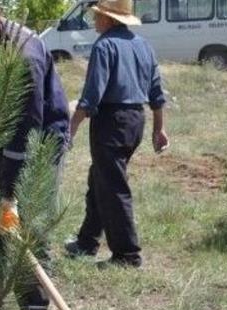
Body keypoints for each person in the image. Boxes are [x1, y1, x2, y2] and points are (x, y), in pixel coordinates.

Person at [0, 0, 71, 310]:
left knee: (29, 232)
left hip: (39, 143)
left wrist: (11, 194)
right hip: (3, 140)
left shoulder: (25, 56)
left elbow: (27, 131)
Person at [64, 0, 168, 268]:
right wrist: (159, 129)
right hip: (136, 121)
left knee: (113, 187)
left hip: (111, 122)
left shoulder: (105, 45)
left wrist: (70, 130)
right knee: (99, 178)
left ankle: (127, 255)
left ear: (109, 19)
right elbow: (156, 92)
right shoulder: (143, 45)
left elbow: (91, 96)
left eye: (97, 15)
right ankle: (87, 241)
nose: (94, 19)